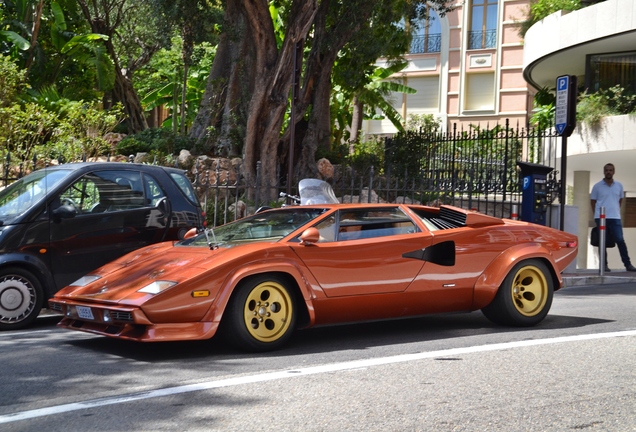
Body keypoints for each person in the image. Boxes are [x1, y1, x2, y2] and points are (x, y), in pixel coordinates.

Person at [590, 163, 636, 272]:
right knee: (603, 242)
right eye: (606, 170)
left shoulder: (619, 185)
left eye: (610, 170)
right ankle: (604, 265)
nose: (608, 172)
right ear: (604, 172)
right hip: (601, 218)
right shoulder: (597, 186)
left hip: (615, 217)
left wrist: (615, 210)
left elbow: (620, 200)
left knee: (620, 240)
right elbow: (593, 201)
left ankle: (628, 264)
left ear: (613, 172)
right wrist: (596, 215)